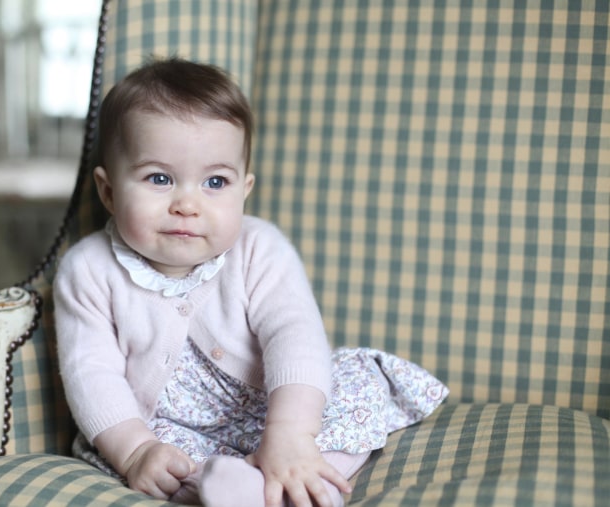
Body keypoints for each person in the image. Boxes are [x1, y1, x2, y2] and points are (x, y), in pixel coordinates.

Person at [54, 57, 448, 507]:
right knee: (152, 458)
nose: (187, 204)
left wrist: (289, 434)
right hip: (168, 424)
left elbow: (294, 334)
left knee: (352, 382)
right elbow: (92, 375)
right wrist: (135, 450)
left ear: (244, 189)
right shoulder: (87, 270)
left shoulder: (260, 248)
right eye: (159, 178)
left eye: (216, 182)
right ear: (108, 191)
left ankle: (305, 475)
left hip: (272, 404)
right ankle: (227, 486)